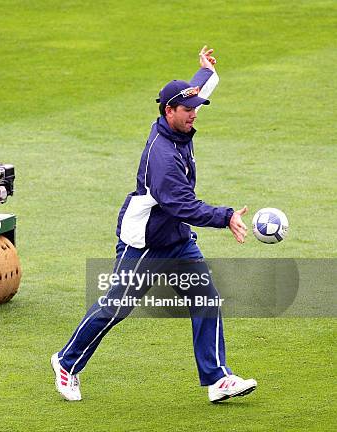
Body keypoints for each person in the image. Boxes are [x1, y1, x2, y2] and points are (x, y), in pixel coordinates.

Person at [51, 46, 257, 403]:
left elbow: (192, 93)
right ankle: (66, 363)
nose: (195, 114)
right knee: (116, 307)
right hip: (145, 243)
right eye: (188, 110)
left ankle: (217, 379)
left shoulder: (176, 120)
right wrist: (226, 217)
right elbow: (182, 205)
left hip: (176, 239)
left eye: (196, 108)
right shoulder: (162, 156)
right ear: (169, 112)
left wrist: (205, 73)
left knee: (206, 300)